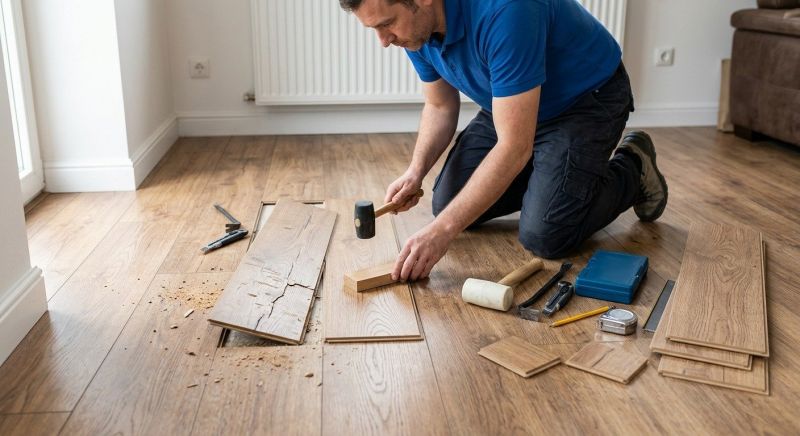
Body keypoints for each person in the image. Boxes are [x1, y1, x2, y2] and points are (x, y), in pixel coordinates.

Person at [338, 0, 668, 282]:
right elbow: (440, 105)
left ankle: (634, 166)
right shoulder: (416, 31)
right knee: (447, 203)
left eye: (387, 24)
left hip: (583, 102)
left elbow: (513, 146)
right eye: (375, 30)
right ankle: (552, 177)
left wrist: (442, 232)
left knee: (545, 234)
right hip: (513, 106)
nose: (383, 40)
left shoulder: (507, 10)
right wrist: (415, 171)